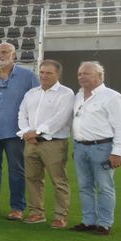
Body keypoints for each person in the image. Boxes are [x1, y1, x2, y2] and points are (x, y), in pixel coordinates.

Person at [0, 42, 38, 220]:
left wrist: (32, 129)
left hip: (16, 133)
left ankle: (18, 208)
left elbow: (36, 103)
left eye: (5, 52)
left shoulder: (28, 76)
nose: (0, 55)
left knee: (16, 170)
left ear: (14, 55)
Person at [71, 61, 121, 236]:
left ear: (99, 76)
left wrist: (117, 151)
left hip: (103, 148)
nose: (82, 77)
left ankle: (104, 224)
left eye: (86, 74)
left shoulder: (112, 97)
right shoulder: (78, 96)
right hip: (80, 147)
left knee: (105, 186)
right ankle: (88, 221)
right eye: (80, 74)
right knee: (84, 186)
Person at [17, 59, 75, 228]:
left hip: (54, 143)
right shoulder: (31, 93)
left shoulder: (66, 93)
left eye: (48, 73)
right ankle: (36, 212)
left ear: (58, 74)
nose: (44, 76)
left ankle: (61, 216)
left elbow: (61, 118)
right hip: (30, 143)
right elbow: (22, 113)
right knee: (32, 178)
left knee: (58, 180)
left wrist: (38, 132)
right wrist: (27, 132)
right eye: (41, 72)